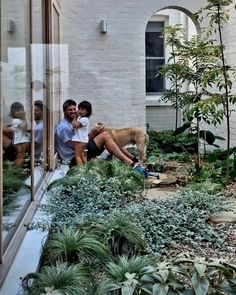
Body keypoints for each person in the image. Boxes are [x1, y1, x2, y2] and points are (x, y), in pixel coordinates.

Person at [55, 99, 136, 167]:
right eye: (70, 110)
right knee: (105, 136)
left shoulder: (73, 122)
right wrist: (93, 134)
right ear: (64, 112)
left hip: (81, 152)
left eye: (74, 109)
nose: (73, 111)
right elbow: (76, 146)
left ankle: (129, 157)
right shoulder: (64, 128)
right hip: (74, 159)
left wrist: (96, 131)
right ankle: (128, 161)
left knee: (104, 132)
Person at [8, 102, 30, 166]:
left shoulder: (18, 120)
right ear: (13, 112)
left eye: (21, 110)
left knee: (22, 155)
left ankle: (19, 166)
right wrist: (24, 117)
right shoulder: (16, 120)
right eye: (18, 110)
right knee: (21, 156)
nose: (20, 112)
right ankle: (18, 167)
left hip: (21, 141)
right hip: (20, 141)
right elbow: (24, 127)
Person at [72, 101, 92, 165]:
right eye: (79, 109)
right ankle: (86, 168)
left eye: (82, 109)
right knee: (82, 155)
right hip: (82, 140)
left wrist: (75, 117)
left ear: (87, 111)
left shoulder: (84, 119)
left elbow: (75, 125)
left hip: (80, 140)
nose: (80, 111)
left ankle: (80, 171)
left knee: (77, 156)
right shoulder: (81, 118)